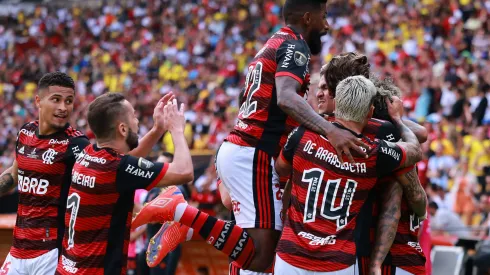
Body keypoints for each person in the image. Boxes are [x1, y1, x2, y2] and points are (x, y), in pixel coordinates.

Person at [133, 1, 369, 274]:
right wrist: (330, 130)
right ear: (307, 17)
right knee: (261, 256)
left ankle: (188, 228)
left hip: (243, 149)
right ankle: (183, 213)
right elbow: (286, 97)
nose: (327, 25)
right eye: (324, 17)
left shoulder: (268, 47)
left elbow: (255, 100)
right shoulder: (295, 45)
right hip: (254, 154)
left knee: (255, 243)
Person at [0, 72, 174, 275]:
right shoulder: (26, 133)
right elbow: (14, 174)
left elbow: (118, 165)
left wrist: (156, 131)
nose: (63, 108)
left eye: (69, 101)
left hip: (51, 254)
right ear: (38, 101)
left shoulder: (75, 144)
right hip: (17, 250)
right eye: (56, 100)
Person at [273, 76, 424, 274]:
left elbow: (281, 169)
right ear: (370, 112)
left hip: (290, 256)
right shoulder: (373, 154)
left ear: (336, 104)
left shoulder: (302, 134)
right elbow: (415, 149)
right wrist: (397, 119)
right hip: (337, 262)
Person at [315, 52, 428, 275]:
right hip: (336, 252)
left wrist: (376, 264)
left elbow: (403, 200)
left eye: (326, 89)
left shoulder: (380, 131)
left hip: (381, 257)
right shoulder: (321, 128)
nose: (319, 94)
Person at [55, 94, 193, 274]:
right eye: (134, 116)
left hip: (67, 268)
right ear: (122, 129)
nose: (137, 121)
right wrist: (177, 130)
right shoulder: (117, 168)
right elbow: (184, 171)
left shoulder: (88, 154)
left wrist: (158, 129)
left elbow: (126, 161)